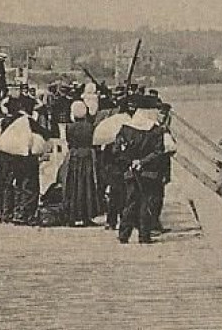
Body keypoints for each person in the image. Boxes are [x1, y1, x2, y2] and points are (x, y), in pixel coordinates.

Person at [112, 94, 175, 244]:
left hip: (130, 171)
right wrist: (143, 161)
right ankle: (144, 235)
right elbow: (159, 151)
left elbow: (116, 150)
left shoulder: (126, 129)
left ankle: (124, 234)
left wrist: (130, 161)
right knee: (146, 203)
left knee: (131, 201)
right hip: (150, 173)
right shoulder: (156, 131)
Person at [59, 99, 104, 226]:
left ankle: (72, 216)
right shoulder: (91, 127)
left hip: (74, 156)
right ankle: (87, 216)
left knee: (72, 186)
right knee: (88, 186)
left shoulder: (69, 127)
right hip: (88, 156)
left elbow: (68, 142)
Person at [92, 99, 133, 231]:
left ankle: (111, 221)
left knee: (115, 194)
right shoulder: (129, 122)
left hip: (111, 167)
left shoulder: (110, 125)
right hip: (123, 165)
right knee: (127, 194)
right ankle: (125, 219)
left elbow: (104, 156)